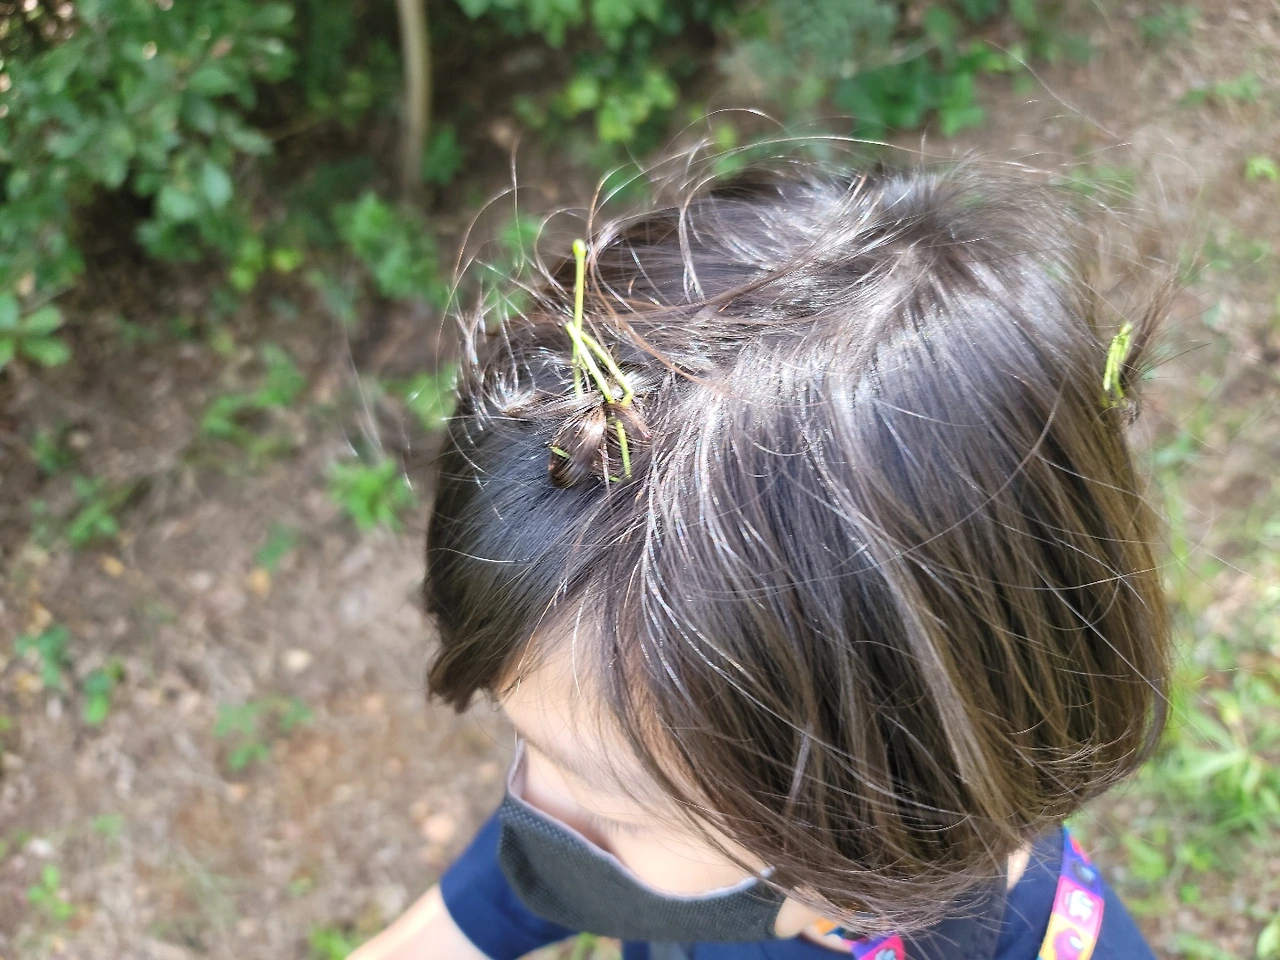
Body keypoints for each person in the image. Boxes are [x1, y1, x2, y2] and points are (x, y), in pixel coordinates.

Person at [352, 154, 1172, 960]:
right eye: (530, 743)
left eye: (614, 811)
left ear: (872, 825)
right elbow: (508, 890)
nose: (534, 808)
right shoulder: (635, 765)